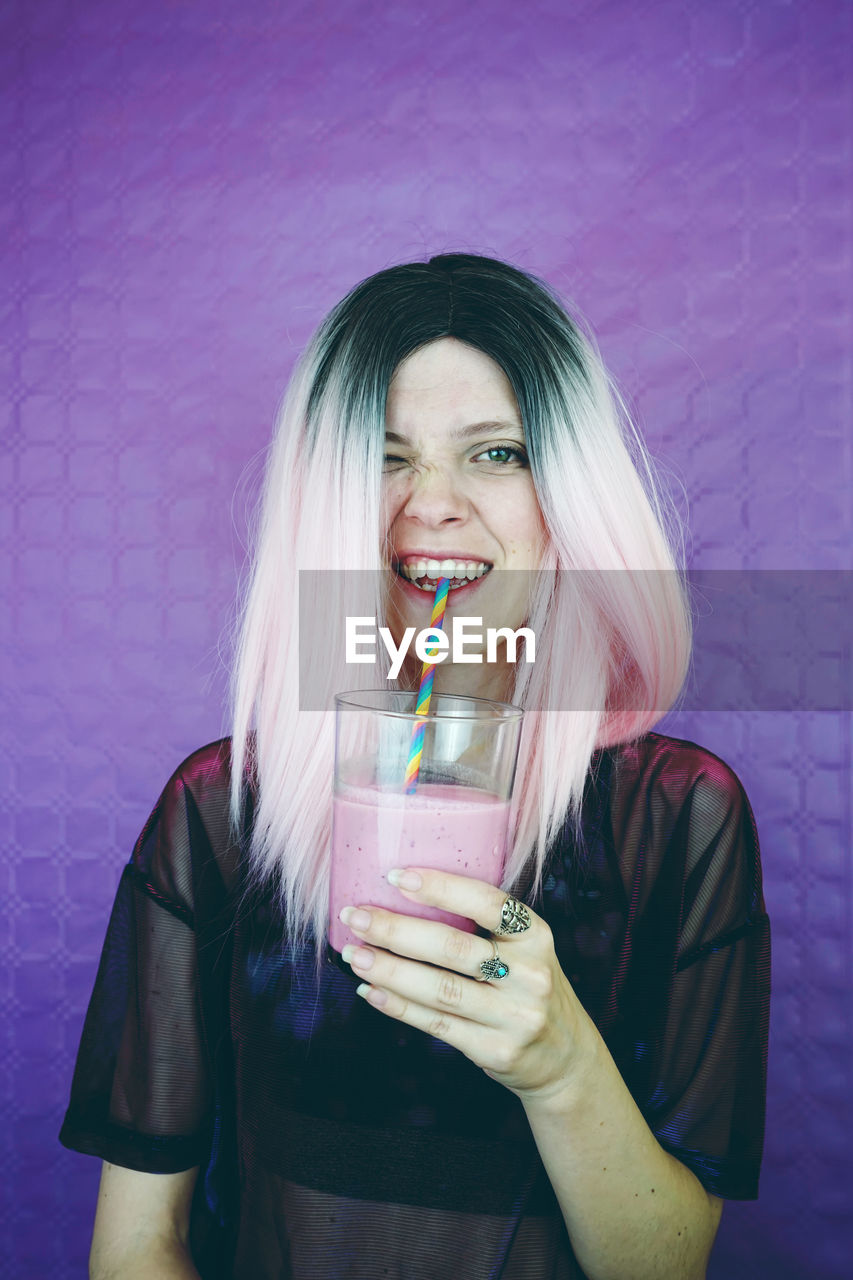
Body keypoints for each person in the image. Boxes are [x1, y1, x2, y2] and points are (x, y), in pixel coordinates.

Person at [60, 253, 771, 1280]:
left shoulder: (679, 816)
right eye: (385, 456)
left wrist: (561, 1065)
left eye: (494, 454)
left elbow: (662, 1265)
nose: (430, 505)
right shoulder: (217, 812)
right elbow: (136, 1247)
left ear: (566, 494)